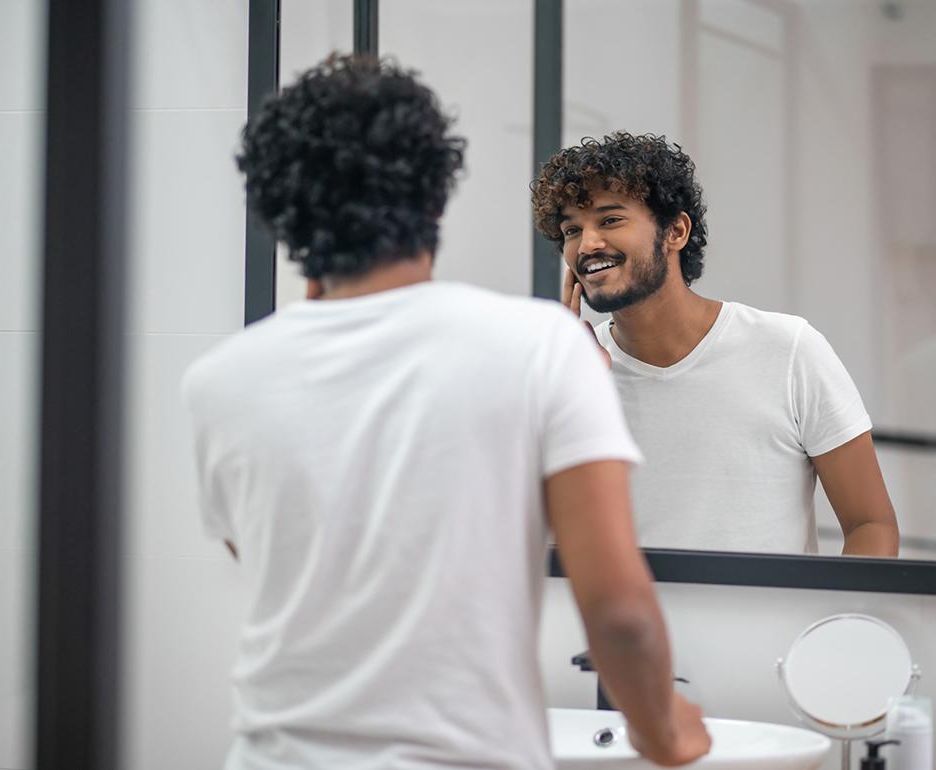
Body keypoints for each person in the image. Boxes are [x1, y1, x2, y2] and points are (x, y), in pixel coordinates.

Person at [181, 57, 710, 770]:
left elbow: (283, 560)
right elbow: (617, 611)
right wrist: (664, 732)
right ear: (434, 196)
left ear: (281, 213)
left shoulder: (221, 381)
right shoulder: (539, 346)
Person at [531, 132, 899, 557]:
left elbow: (870, 525)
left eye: (610, 220)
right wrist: (575, 395)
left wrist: (831, 621)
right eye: (572, 230)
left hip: (768, 625)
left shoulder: (788, 350)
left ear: (676, 231)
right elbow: (546, 546)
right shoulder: (569, 375)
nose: (587, 244)